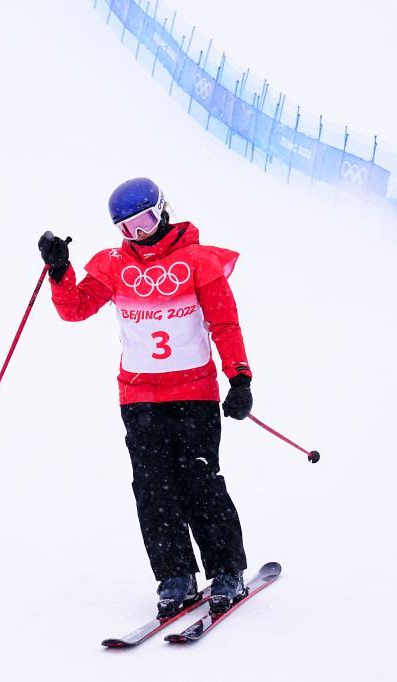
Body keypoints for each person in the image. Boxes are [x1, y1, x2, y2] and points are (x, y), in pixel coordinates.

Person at [38, 177, 254, 617]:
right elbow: (75, 308)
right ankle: (175, 575)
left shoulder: (198, 262)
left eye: (146, 221)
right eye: (129, 228)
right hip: (139, 397)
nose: (141, 233)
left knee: (200, 481)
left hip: (194, 394)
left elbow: (225, 325)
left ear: (164, 210)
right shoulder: (113, 266)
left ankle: (226, 570)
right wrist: (60, 272)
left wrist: (240, 379)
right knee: (153, 488)